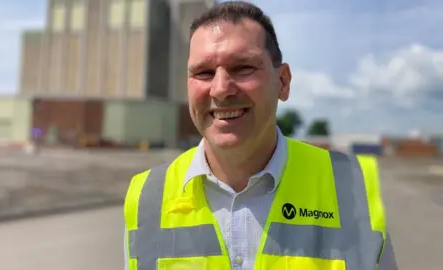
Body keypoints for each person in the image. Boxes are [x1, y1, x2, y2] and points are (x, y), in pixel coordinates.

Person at [122, 1, 398, 269]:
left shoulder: (351, 190)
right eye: (204, 73)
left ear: (283, 82)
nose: (220, 89)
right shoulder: (146, 199)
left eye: (243, 68)